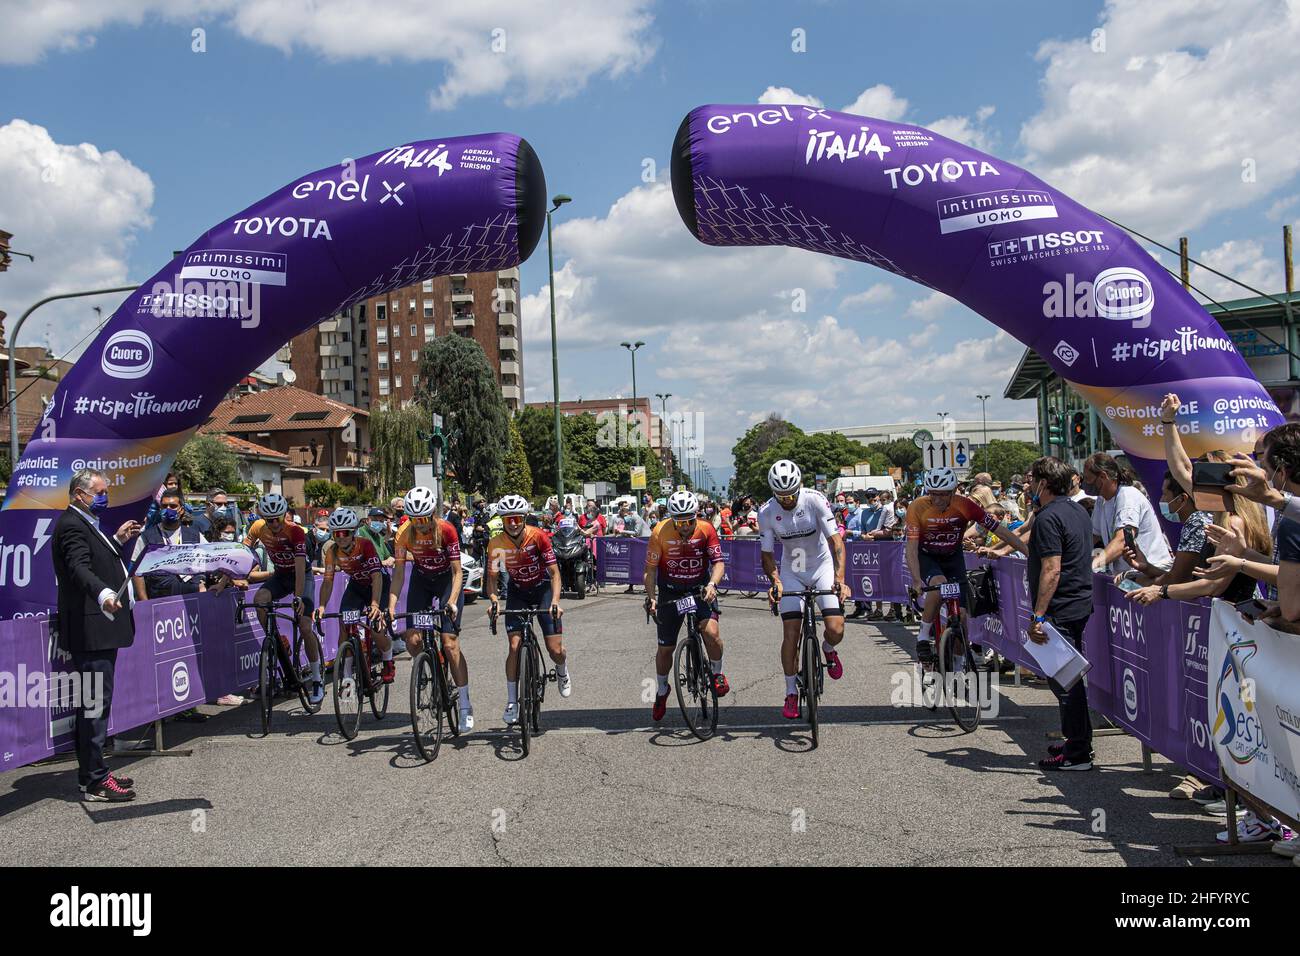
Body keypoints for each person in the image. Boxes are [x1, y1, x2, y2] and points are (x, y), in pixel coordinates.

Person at [51, 467, 142, 801]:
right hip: (91, 627)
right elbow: (78, 568)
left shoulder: (86, 522)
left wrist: (117, 540)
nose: (105, 497)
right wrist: (104, 594)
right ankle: (94, 780)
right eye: (100, 492)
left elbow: (97, 558)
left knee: (97, 704)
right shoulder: (71, 524)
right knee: (93, 706)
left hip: (101, 628)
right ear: (80, 493)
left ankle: (93, 772)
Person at [758, 460, 851, 719]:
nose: (787, 500)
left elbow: (836, 542)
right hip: (792, 572)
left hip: (821, 567)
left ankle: (829, 650)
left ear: (799, 487)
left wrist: (840, 578)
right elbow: (766, 555)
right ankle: (790, 691)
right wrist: (775, 582)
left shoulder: (815, 500)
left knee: (835, 628)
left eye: (791, 494)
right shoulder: (766, 512)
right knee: (791, 634)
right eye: (781, 496)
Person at [906, 467, 1028, 662]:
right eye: (932, 494)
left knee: (961, 616)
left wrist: (1026, 552)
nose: (936, 499)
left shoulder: (965, 506)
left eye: (942, 495)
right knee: (938, 586)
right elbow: (911, 548)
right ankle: (922, 637)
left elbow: (1001, 532)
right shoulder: (917, 507)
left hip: (953, 558)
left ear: (953, 492)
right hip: (927, 556)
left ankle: (959, 663)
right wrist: (916, 580)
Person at [1023, 457, 1096, 771]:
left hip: (1061, 608)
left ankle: (1078, 752)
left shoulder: (1049, 517)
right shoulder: (1077, 509)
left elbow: (1051, 570)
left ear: (1043, 483)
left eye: (1032, 480)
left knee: (1066, 683)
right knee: (1069, 681)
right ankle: (1076, 741)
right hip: (1077, 603)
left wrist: (1039, 615)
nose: (1028, 486)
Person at [390, 486, 472, 729]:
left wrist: (451, 602)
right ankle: (431, 669)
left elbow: (458, 572)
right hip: (422, 580)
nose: (421, 525)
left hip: (447, 580)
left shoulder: (446, 530)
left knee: (449, 642)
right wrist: (392, 607)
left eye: (425, 519)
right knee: (412, 641)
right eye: (416, 520)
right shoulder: (404, 533)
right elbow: (397, 576)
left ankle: (465, 702)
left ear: (434, 514)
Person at [643, 490, 729, 720]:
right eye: (679, 521)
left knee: (711, 632)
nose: (685, 526)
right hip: (670, 591)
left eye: (689, 520)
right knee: (665, 649)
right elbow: (650, 571)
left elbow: (718, 563)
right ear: (672, 518)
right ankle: (662, 691)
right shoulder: (660, 531)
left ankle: (717, 674)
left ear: (696, 516)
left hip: (699, 588)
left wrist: (712, 584)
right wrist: (651, 597)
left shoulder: (706, 529)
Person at [486, 494, 570, 726]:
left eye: (517, 518)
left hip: (542, 588)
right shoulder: (496, 544)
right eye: (508, 518)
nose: (513, 523)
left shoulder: (538, 536)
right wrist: (494, 599)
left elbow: (554, 573)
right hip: (518, 592)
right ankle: (512, 701)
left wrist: (555, 601)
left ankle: (562, 669)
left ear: (524, 518)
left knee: (555, 649)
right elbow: (492, 579)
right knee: (514, 646)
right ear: (502, 520)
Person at [242, 493, 323, 705]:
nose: (275, 524)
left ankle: (316, 679)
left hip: (301, 576)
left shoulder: (295, 531)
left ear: (284, 515)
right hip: (279, 575)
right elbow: (240, 553)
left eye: (278, 518)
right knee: (260, 598)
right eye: (270, 520)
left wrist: (298, 597)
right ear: (263, 518)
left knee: (305, 626)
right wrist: (225, 580)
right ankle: (275, 640)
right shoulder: (258, 527)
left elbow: (298, 567)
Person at [313, 507, 396, 683]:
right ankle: (347, 675)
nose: (340, 537)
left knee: (376, 629)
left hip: (377, 584)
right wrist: (321, 606)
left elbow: (376, 576)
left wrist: (374, 604)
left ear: (352, 532)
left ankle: (388, 660)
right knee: (344, 625)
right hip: (357, 585)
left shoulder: (364, 544)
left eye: (344, 533)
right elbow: (327, 581)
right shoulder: (332, 552)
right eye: (336, 534)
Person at [1083, 453, 1171, 575]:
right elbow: (1093, 536)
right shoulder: (1101, 500)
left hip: (1149, 572)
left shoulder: (1128, 497)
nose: (1085, 484)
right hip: (1126, 574)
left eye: (1088, 479)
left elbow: (1122, 540)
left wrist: (1093, 565)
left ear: (1103, 476)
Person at [130, 488, 205, 600]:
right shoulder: (147, 537)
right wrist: (144, 601)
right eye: (164, 506)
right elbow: (136, 571)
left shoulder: (194, 535)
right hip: (160, 599)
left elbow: (208, 560)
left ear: (181, 510)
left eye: (173, 506)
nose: (168, 509)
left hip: (190, 599)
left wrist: (202, 583)